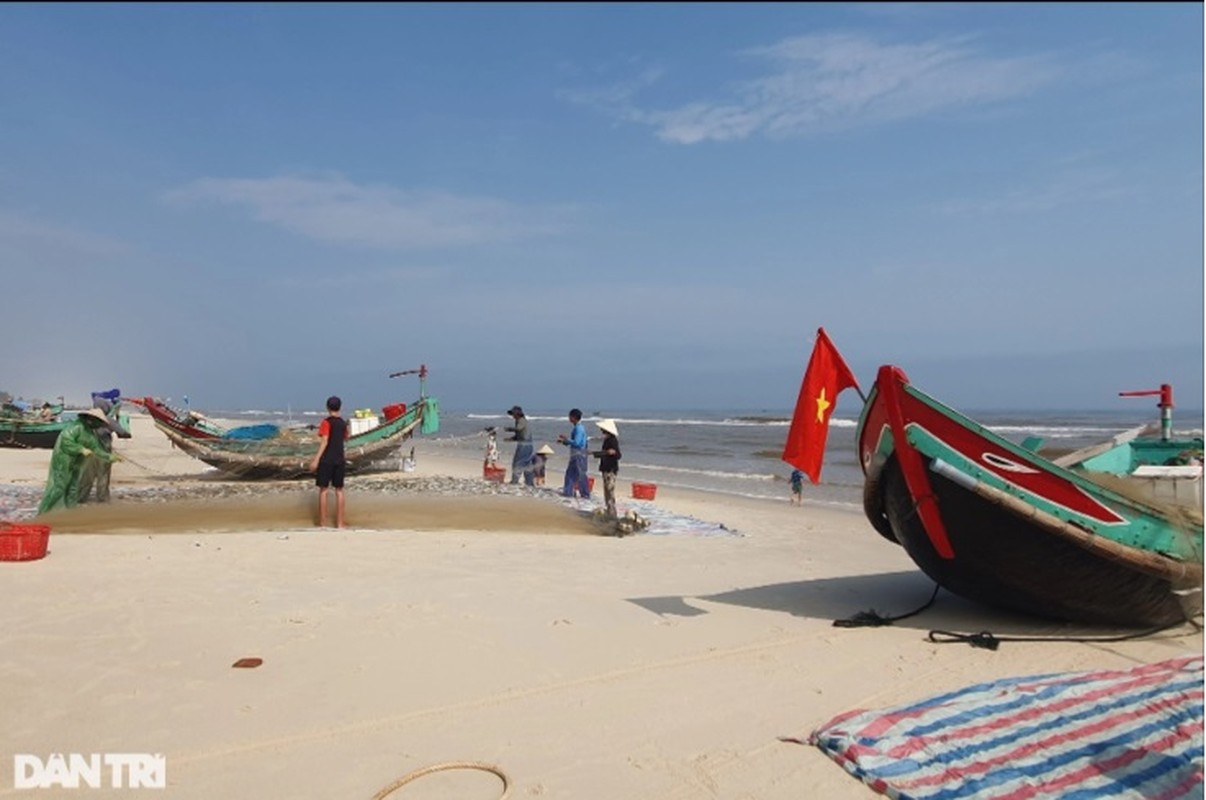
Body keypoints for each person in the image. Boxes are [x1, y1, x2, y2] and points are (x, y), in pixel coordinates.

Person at [37, 409, 123, 515]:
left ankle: (69, 512)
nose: (99, 425)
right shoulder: (76, 427)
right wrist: (80, 449)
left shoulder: (90, 434)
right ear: (91, 419)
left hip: (78, 462)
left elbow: (96, 449)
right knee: (59, 487)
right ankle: (45, 512)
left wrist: (110, 457)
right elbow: (66, 441)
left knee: (73, 487)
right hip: (64, 460)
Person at [78, 395, 132, 504]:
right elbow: (123, 433)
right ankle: (102, 501)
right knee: (103, 476)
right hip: (104, 454)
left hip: (88, 453)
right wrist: (120, 420)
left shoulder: (86, 420)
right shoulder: (108, 420)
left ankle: (80, 499)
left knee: (87, 477)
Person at [309, 395, 349, 528]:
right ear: (340, 407)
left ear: (327, 407)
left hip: (327, 460)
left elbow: (325, 441)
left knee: (323, 491)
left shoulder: (326, 422)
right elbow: (346, 437)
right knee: (339, 491)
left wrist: (316, 459)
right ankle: (340, 523)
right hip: (339, 459)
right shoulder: (343, 423)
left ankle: (322, 523)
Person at [557, 408, 591, 498]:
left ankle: (585, 494)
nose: (569, 418)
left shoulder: (579, 428)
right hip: (575, 454)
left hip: (579, 454)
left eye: (570, 416)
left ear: (574, 417)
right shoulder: (577, 428)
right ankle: (568, 492)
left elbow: (577, 443)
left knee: (580, 475)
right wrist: (564, 441)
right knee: (570, 474)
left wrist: (566, 439)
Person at [592, 419, 622, 517]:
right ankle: (610, 511)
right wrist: (594, 453)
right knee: (607, 491)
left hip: (610, 469)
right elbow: (605, 453)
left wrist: (612, 452)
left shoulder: (612, 440)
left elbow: (618, 455)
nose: (601, 430)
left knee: (609, 491)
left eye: (602, 428)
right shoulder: (607, 440)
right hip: (606, 468)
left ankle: (612, 513)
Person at [504, 405, 535, 486]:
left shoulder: (521, 420)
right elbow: (519, 435)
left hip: (524, 445)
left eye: (513, 414)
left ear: (517, 414)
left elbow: (519, 429)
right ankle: (529, 483)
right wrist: (511, 439)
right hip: (528, 445)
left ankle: (515, 481)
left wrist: (509, 429)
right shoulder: (520, 421)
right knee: (527, 464)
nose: (512, 416)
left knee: (517, 463)